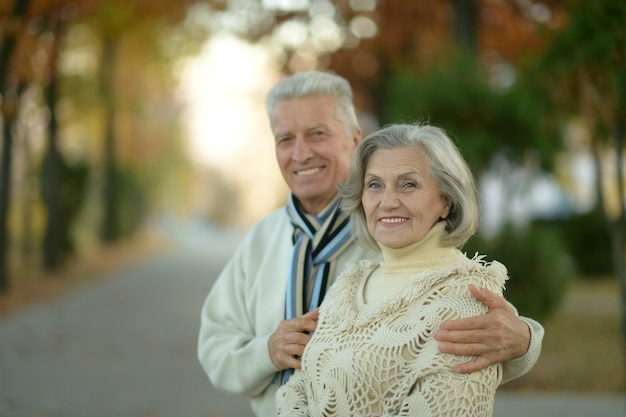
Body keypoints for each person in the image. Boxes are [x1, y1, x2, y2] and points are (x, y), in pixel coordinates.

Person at [197, 71, 544, 417]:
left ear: (354, 138)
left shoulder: (397, 231)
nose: (301, 153)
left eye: (317, 134)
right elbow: (214, 344)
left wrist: (526, 340)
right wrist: (266, 352)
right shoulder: (262, 238)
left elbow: (470, 322)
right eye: (285, 139)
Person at [276, 122, 510, 416]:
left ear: (446, 201)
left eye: (408, 184)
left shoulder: (463, 296)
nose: (387, 202)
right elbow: (300, 386)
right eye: (374, 185)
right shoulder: (350, 283)